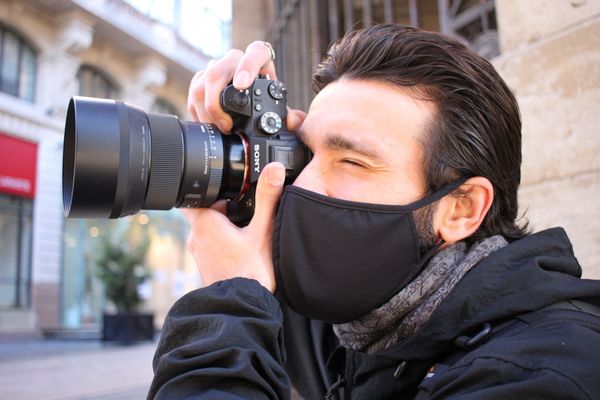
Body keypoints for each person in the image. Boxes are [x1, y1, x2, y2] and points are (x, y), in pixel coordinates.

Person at [147, 24, 600, 399]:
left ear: (461, 208)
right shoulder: (369, 314)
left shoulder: (541, 374)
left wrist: (228, 303)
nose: (297, 185)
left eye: (351, 161)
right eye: (303, 156)